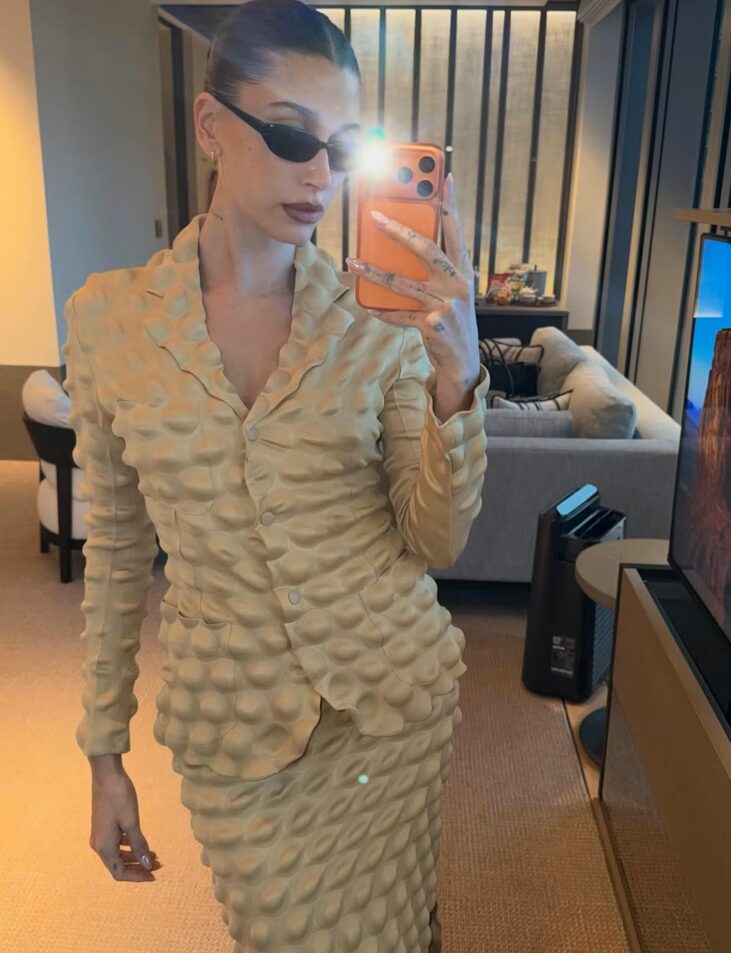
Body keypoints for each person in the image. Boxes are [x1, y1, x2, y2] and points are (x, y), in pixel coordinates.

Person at [61, 1, 490, 949]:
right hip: (236, 725)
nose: (319, 175)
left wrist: (456, 381)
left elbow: (435, 536)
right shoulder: (108, 323)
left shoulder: (379, 322)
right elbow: (118, 552)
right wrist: (104, 751)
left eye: (341, 148)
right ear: (211, 125)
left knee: (394, 928)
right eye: (293, 135)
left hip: (392, 707)